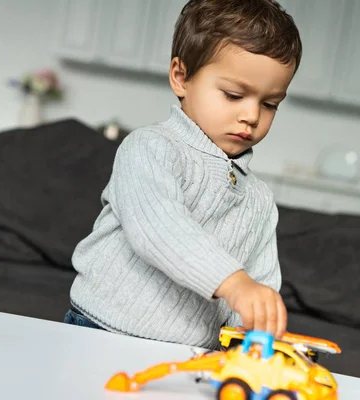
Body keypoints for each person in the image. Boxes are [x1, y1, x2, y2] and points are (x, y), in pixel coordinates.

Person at [64, 0, 303, 350]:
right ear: (181, 77)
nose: (252, 115)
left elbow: (261, 278)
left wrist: (250, 334)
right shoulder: (150, 148)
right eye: (234, 95)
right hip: (103, 329)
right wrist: (233, 283)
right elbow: (159, 229)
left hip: (192, 351)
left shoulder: (260, 200)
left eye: (270, 104)